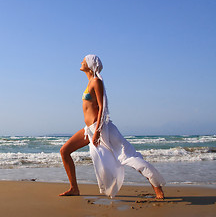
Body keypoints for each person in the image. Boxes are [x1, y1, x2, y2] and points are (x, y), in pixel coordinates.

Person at [59, 54, 165, 199]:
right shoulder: (90, 82)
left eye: (84, 60)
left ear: (90, 65)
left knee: (128, 156)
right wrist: (92, 131)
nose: (81, 62)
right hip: (89, 129)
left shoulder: (96, 82)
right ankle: (74, 188)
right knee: (65, 151)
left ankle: (156, 186)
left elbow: (102, 108)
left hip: (101, 128)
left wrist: (97, 131)